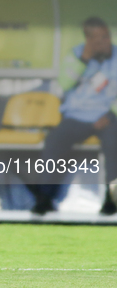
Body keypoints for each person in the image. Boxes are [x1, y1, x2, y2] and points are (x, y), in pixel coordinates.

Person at [31, 16, 117, 215]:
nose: (103, 42)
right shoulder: (76, 55)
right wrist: (84, 59)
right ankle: (44, 198)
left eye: (105, 36)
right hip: (76, 117)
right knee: (54, 141)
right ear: (88, 40)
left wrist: (111, 116)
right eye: (97, 39)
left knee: (114, 144)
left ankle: (111, 200)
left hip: (108, 116)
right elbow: (63, 85)